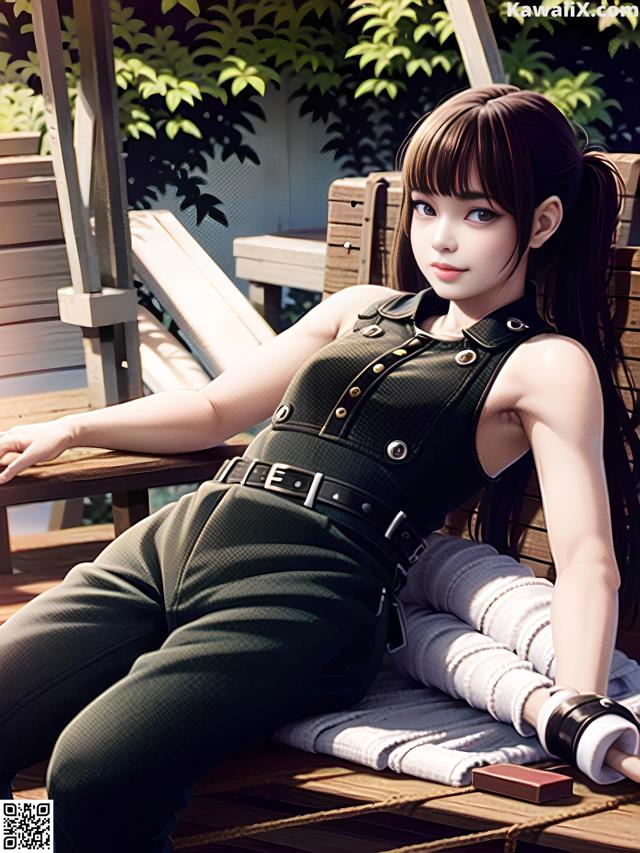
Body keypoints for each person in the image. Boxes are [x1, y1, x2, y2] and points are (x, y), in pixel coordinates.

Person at [0, 83, 639, 851]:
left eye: (478, 213)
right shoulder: (361, 307)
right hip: (178, 538)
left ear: (540, 222)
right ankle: (19, 845)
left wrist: (577, 706)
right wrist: (71, 427)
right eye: (428, 205)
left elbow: (585, 556)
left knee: (90, 770)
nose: (441, 237)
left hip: (306, 587)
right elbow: (212, 410)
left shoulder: (545, 364)